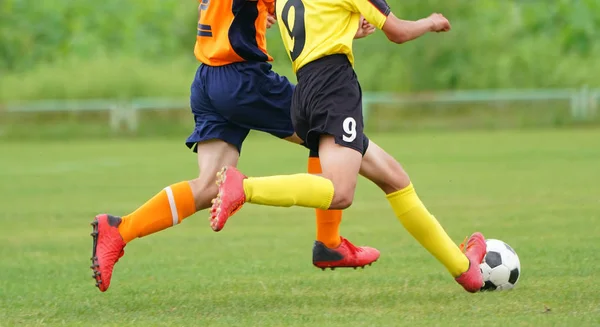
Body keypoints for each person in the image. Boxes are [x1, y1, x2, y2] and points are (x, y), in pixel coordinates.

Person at [89, 0, 379, 292]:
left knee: (208, 187)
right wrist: (342, 27)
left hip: (208, 78)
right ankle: (329, 244)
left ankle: (119, 230)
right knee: (325, 131)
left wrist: (262, 12)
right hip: (242, 79)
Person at [209, 0, 488, 292]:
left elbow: (315, 28)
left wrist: (347, 29)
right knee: (341, 192)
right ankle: (245, 188)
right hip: (334, 88)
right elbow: (398, 32)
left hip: (305, 91)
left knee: (394, 178)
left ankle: (464, 269)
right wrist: (431, 21)